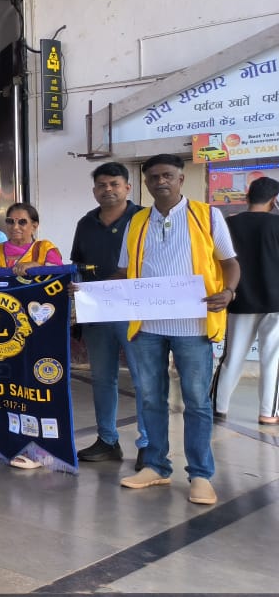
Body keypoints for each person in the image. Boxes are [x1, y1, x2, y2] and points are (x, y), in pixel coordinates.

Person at [116, 153, 239, 506]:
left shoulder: (206, 216)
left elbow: (229, 263)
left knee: (197, 402)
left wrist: (228, 292)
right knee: (150, 397)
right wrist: (92, 292)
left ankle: (200, 475)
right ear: (146, 183)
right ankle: (155, 466)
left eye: (167, 175)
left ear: (181, 179)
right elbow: (126, 274)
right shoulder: (137, 221)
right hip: (147, 325)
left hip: (194, 325)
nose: (160, 182)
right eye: (153, 177)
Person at [70, 162, 148, 467]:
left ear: (127, 187)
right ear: (94, 191)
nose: (108, 190)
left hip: (134, 310)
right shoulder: (85, 223)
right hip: (97, 311)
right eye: (102, 185)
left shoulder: (145, 219)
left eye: (115, 184)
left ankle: (148, 444)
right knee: (102, 377)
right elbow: (77, 264)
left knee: (144, 379)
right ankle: (107, 441)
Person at [0, 202, 64, 470]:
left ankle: (42, 450)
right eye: (11, 222)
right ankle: (8, 441)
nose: (15, 227)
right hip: (5, 333)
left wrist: (38, 265)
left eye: (22, 222)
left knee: (37, 387)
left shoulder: (45, 249)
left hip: (41, 331)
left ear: (35, 225)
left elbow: (58, 280)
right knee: (8, 386)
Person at [213, 177, 279, 425]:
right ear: (274, 200)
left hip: (240, 300)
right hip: (276, 303)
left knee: (232, 357)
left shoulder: (229, 224)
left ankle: (218, 408)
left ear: (246, 196)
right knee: (272, 359)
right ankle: (268, 414)